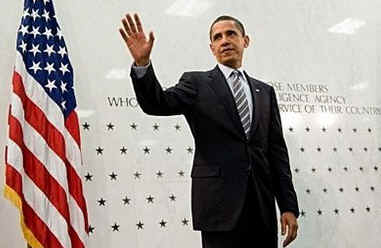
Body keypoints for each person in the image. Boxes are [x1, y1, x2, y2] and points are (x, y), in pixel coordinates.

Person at [119, 13, 300, 248]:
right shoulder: (197, 83)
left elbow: (277, 154)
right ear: (211, 47)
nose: (224, 40)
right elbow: (157, 103)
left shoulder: (264, 92)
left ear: (245, 40)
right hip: (219, 208)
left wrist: (287, 206)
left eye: (231, 34)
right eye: (218, 37)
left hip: (261, 208)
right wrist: (143, 65)